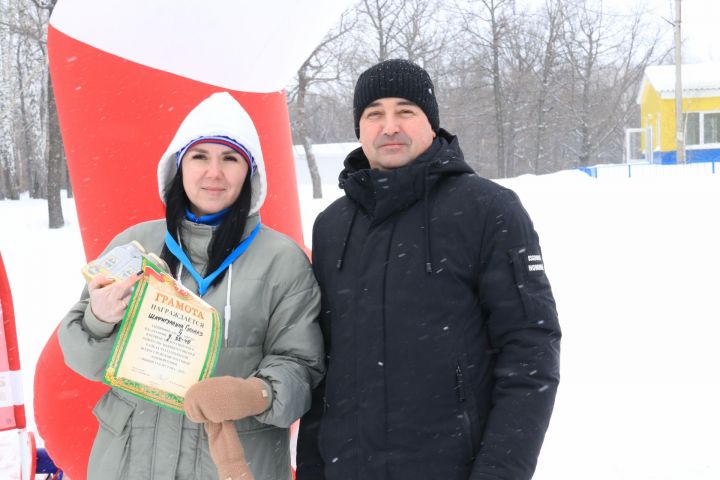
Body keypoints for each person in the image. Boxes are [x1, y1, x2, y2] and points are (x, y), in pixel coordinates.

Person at [296, 59, 561, 480]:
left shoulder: (488, 209)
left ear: (431, 123)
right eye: (374, 114)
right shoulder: (331, 226)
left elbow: (530, 350)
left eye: (405, 111)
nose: (390, 126)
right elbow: (323, 367)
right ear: (359, 128)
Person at [58, 91, 324, 480]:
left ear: (249, 173)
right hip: (130, 462)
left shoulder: (282, 260)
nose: (213, 173)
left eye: (229, 158)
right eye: (200, 157)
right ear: (179, 167)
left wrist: (255, 393)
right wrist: (99, 319)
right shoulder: (136, 245)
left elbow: (302, 367)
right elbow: (84, 360)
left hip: (232, 461)